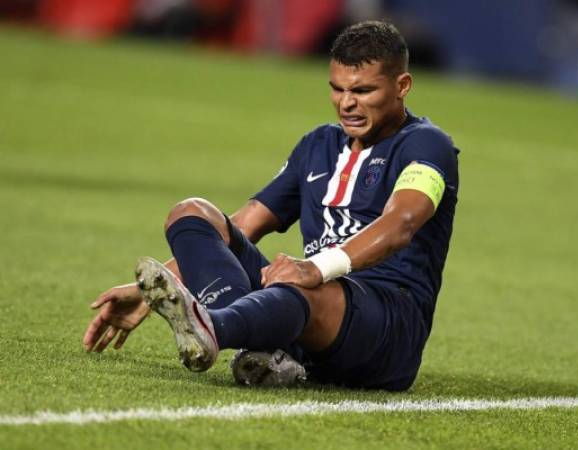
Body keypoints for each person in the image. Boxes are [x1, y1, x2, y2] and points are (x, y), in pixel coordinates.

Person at [82, 20, 459, 391]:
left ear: (402, 86)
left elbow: (402, 223)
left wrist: (316, 267)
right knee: (193, 214)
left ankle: (217, 327)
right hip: (306, 304)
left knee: (303, 288)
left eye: (363, 90)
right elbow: (244, 226)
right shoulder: (318, 145)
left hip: (387, 325)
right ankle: (259, 350)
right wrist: (146, 291)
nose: (346, 104)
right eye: (337, 89)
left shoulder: (427, 145)